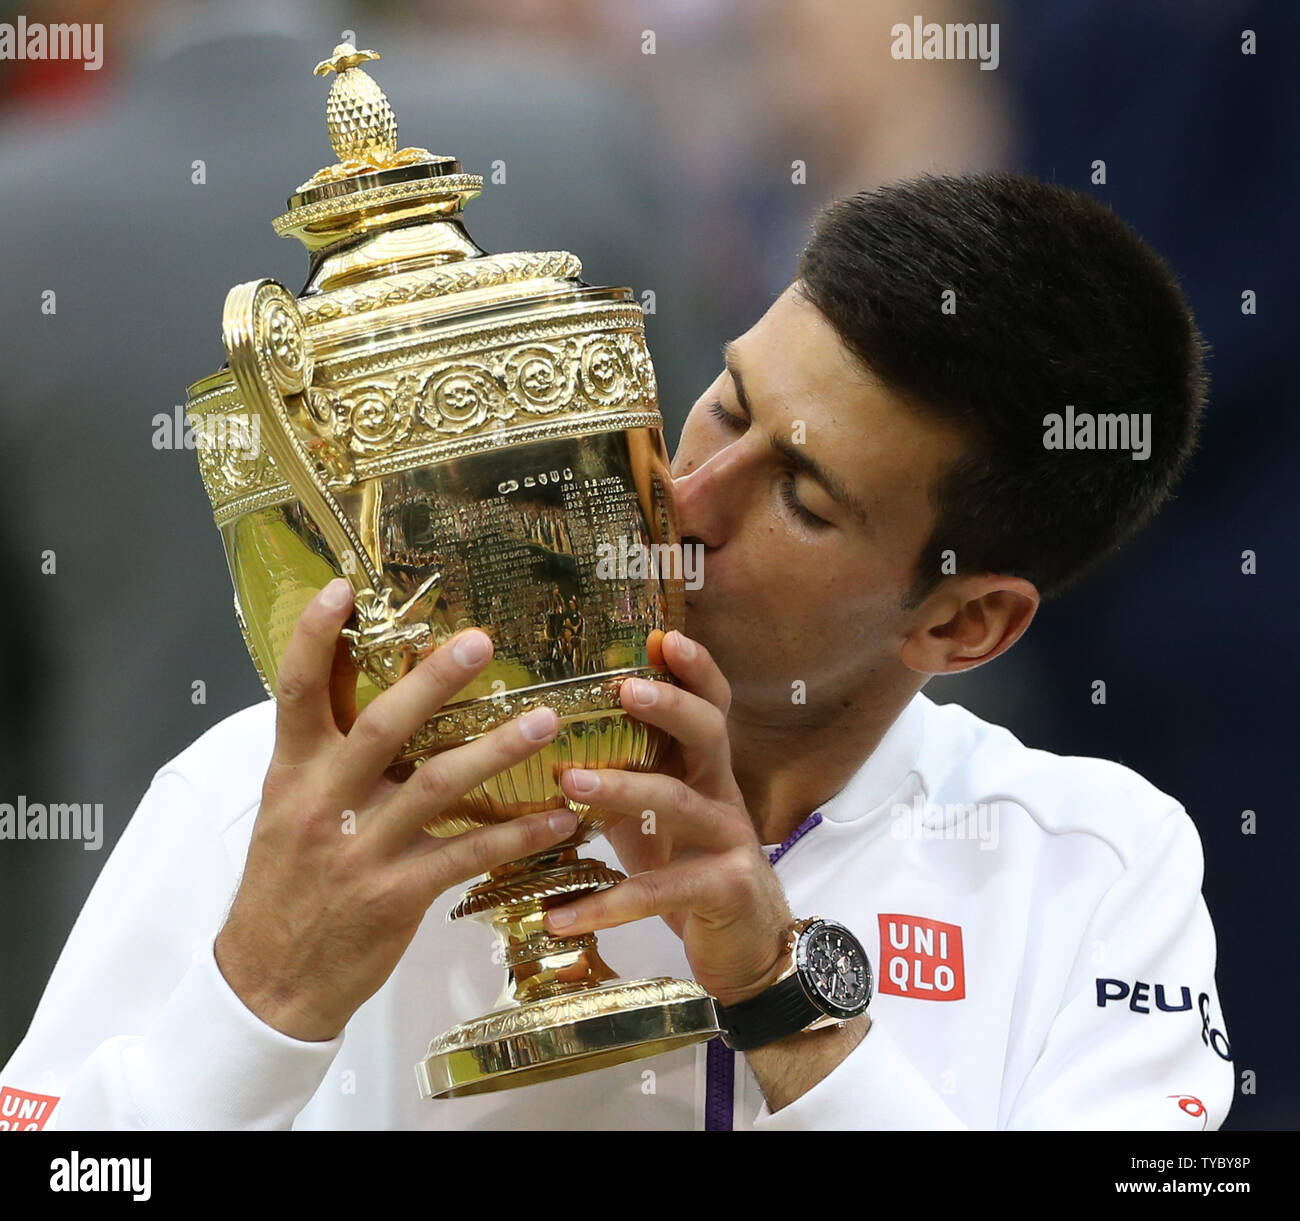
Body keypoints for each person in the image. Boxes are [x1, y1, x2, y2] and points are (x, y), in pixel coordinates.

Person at [0, 172, 1233, 1131]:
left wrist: (790, 1012)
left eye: (800, 499)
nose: (685, 498)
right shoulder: (290, 795)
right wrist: (258, 1007)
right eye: (727, 406)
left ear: (964, 624)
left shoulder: (1097, 861)